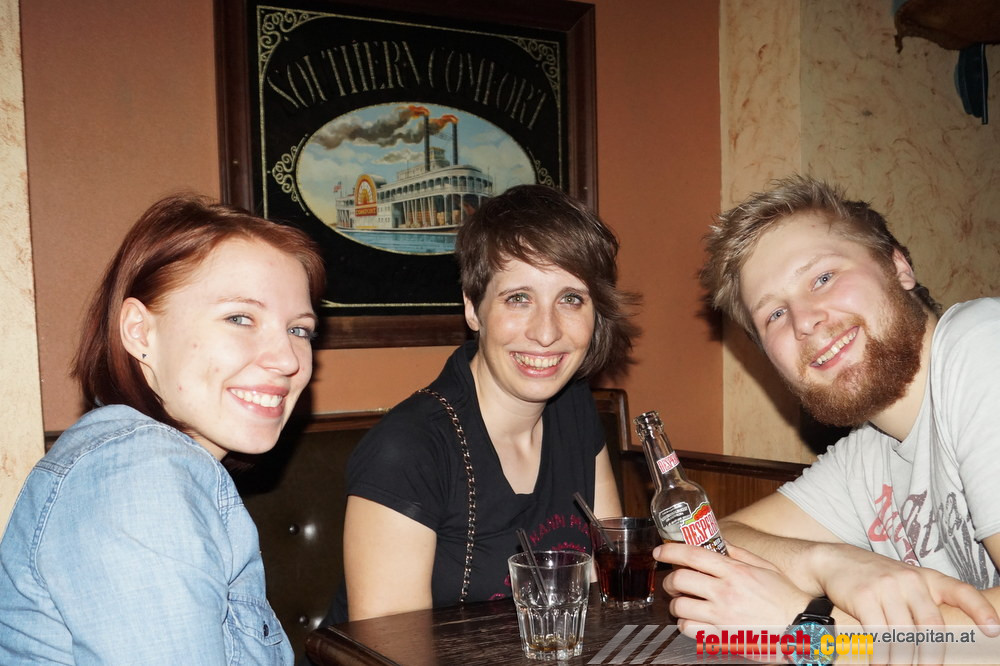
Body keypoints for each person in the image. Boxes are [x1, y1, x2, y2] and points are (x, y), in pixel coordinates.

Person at [655, 175, 1000, 636]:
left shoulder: (983, 346)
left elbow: (817, 636)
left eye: (823, 278)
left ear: (898, 266)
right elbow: (707, 542)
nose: (804, 321)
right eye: (775, 314)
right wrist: (827, 562)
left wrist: (808, 632)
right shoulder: (867, 453)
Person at [0, 195, 325, 663]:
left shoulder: (139, 463)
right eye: (240, 318)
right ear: (139, 331)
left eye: (299, 330)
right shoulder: (141, 475)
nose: (287, 360)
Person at [335, 184, 639, 621]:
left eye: (571, 299)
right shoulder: (408, 448)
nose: (546, 332)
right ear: (473, 308)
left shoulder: (575, 406)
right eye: (519, 298)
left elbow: (600, 589)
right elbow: (391, 648)